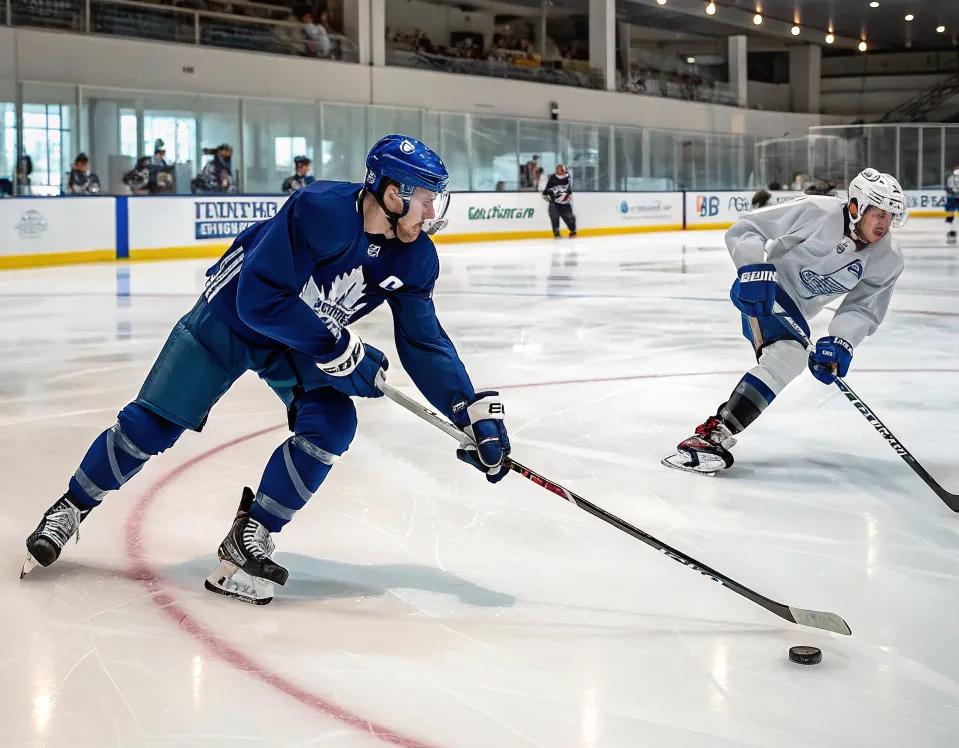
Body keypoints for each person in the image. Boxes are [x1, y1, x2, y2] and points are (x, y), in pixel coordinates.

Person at [22, 135, 511, 606]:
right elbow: (258, 299)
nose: (433, 212)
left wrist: (466, 407)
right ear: (390, 193)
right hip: (231, 318)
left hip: (296, 337)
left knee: (332, 423)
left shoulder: (417, 256)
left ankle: (250, 536)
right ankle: (70, 507)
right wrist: (335, 345)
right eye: (426, 198)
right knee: (154, 424)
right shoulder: (319, 210)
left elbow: (424, 342)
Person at [663, 168, 906, 474]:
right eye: (878, 214)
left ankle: (713, 436)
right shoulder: (815, 210)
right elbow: (747, 227)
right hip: (767, 292)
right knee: (789, 355)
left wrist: (840, 341)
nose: (885, 223)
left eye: (890, 215)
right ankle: (711, 436)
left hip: (799, 312)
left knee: (789, 357)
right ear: (856, 207)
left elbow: (864, 308)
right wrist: (752, 269)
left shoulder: (888, 258)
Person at [543, 164, 577, 238]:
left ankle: (573, 230)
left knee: (568, 217)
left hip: (564, 203)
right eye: (557, 169)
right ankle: (556, 233)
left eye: (560, 169)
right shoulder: (552, 178)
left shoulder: (567, 178)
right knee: (554, 218)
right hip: (554, 202)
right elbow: (547, 189)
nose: (558, 170)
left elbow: (568, 189)